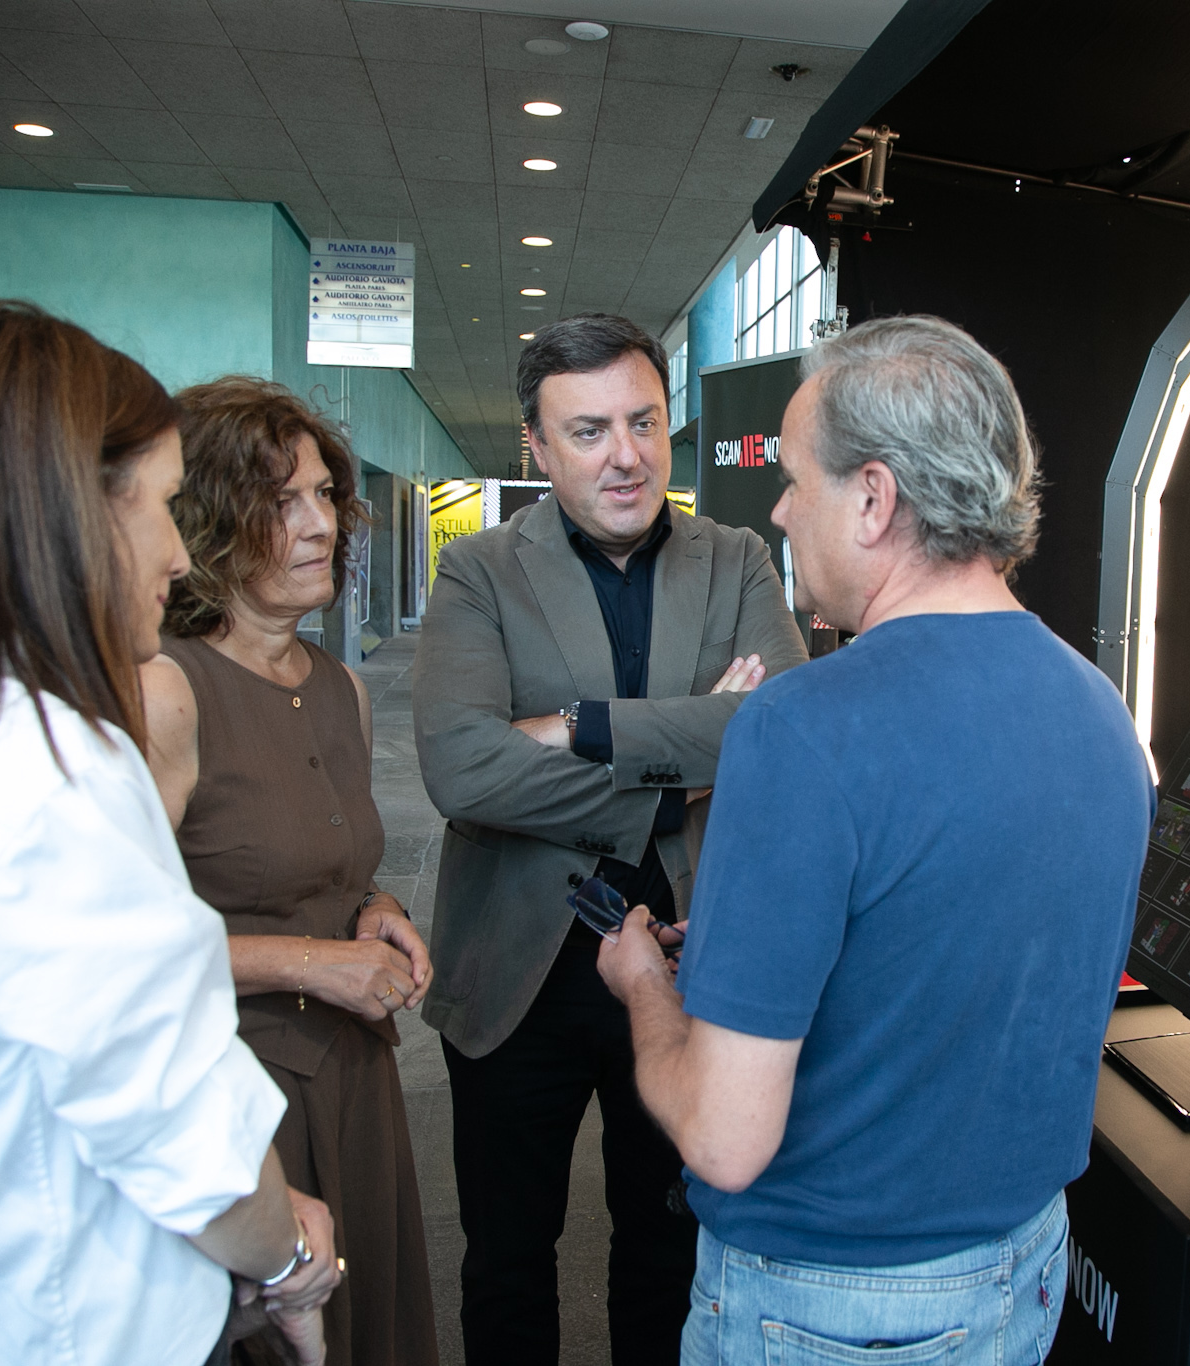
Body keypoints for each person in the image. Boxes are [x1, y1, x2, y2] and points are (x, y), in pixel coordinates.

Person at [596, 315, 1154, 1364]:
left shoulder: (798, 728)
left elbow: (722, 1137)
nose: (777, 509)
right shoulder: (1100, 709)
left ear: (873, 498)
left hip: (827, 1309)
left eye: (792, 479)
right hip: (1025, 1270)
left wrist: (642, 988)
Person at [0, 301, 339, 1365]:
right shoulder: (42, 769)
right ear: (64, 518)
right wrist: (290, 1260)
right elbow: (185, 1136)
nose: (177, 553)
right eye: (159, 504)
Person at [411, 313, 808, 1364]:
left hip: (686, 967)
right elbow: (461, 767)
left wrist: (574, 727)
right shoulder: (478, 572)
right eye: (588, 432)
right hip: (517, 973)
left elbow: (778, 727)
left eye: (642, 422)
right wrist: (678, 767)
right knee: (506, 1259)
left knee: (666, 1253)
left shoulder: (736, 560)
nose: (625, 455)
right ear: (538, 448)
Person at [140, 377, 439, 1366]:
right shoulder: (165, 691)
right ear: (209, 522)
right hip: (235, 1093)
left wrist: (375, 907)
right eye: (281, 502)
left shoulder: (341, 687)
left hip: (355, 1076)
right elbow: (116, 958)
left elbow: (324, 864)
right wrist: (314, 963)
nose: (320, 524)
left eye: (325, 496)